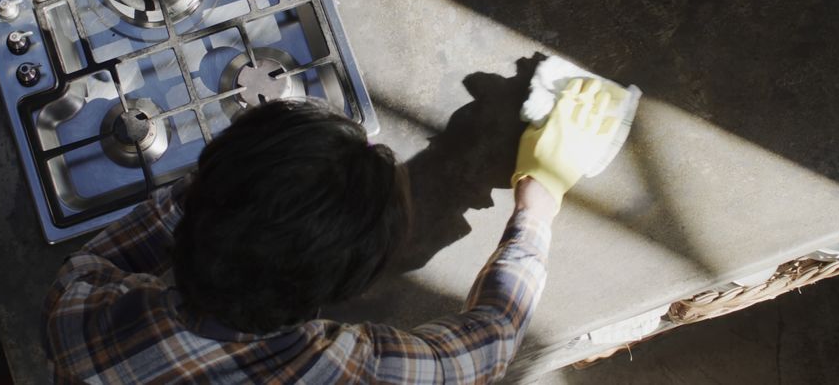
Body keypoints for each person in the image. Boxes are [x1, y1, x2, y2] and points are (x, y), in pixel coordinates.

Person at [44, 78, 619, 383]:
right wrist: (538, 202)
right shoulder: (353, 372)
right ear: (351, 292)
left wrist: (256, 181)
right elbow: (490, 343)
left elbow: (103, 261)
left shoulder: (79, 319)